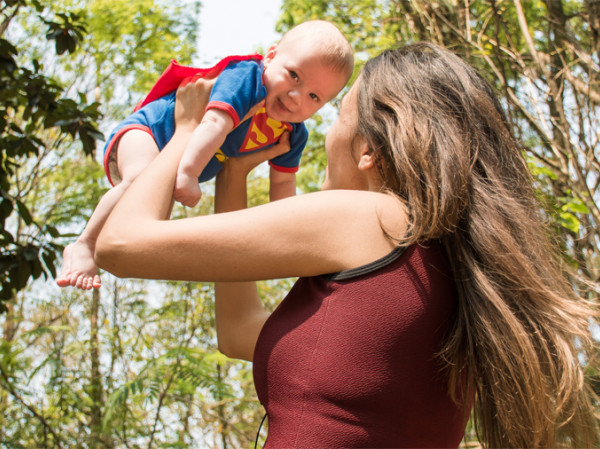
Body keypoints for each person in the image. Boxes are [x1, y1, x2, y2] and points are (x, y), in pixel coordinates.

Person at [94, 43, 599, 448]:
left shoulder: (374, 218)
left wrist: (186, 130)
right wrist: (235, 172)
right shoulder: (443, 270)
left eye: (336, 116)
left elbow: (120, 244)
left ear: (369, 150)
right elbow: (239, 332)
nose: (322, 129)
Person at [56, 20, 353, 290]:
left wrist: (291, 237)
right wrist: (189, 173)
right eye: (294, 76)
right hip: (149, 131)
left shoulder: (293, 134)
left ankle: (111, 250)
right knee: (138, 179)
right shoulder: (247, 79)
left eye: (314, 96)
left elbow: (283, 187)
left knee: (151, 220)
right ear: (271, 56)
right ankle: (84, 243)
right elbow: (213, 123)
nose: (296, 96)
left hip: (176, 161)